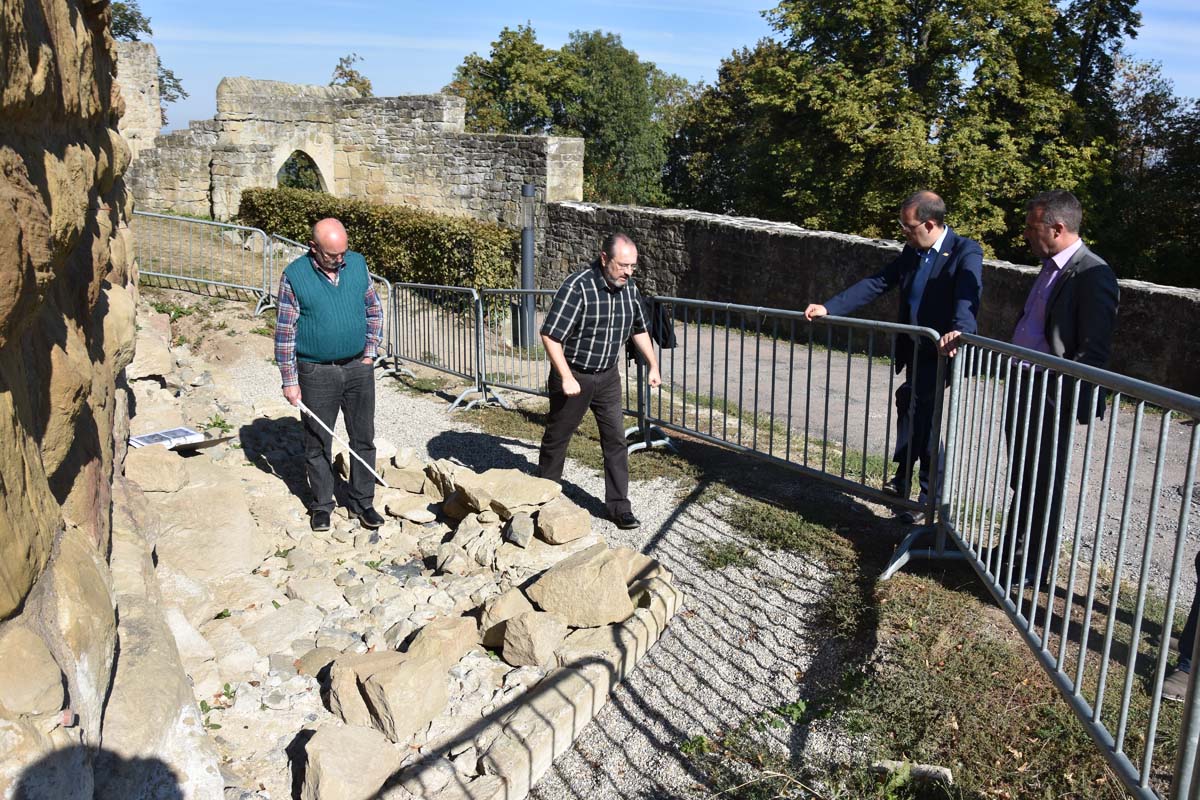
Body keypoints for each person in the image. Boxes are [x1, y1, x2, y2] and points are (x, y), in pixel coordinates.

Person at [940, 190, 1119, 589]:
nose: (1023, 233)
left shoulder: (1093, 273)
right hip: (1025, 382)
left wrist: (1068, 396)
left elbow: (1094, 347)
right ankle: (1010, 554)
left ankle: (1032, 567)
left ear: (1057, 228)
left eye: (1030, 225)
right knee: (1024, 476)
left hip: (1050, 391)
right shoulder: (1051, 266)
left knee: (1043, 480)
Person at [804, 190, 983, 521]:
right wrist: (830, 306)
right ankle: (903, 480)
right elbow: (877, 282)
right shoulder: (913, 251)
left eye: (908, 226)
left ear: (929, 224)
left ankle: (928, 497)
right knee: (910, 406)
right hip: (914, 349)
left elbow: (968, 295)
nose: (903, 232)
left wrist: (960, 329)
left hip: (941, 352)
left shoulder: (964, 250)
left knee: (924, 417)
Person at [538, 232, 662, 529]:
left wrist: (653, 364)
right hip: (575, 374)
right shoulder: (578, 287)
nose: (628, 272)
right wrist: (566, 376)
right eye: (622, 265)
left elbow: (639, 328)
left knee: (616, 440)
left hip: (607, 376)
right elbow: (550, 335)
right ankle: (542, 498)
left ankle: (619, 507)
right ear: (604, 258)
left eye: (633, 266)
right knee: (558, 438)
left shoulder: (629, 289)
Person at [275, 218, 384, 533]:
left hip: (357, 369)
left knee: (363, 438)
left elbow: (373, 310)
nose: (340, 260)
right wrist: (289, 380)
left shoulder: (357, 265)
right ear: (314, 248)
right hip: (316, 371)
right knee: (318, 443)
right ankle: (322, 505)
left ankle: (363, 502)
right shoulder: (294, 276)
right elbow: (285, 333)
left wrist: (369, 354)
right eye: (332, 255)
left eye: (343, 253)